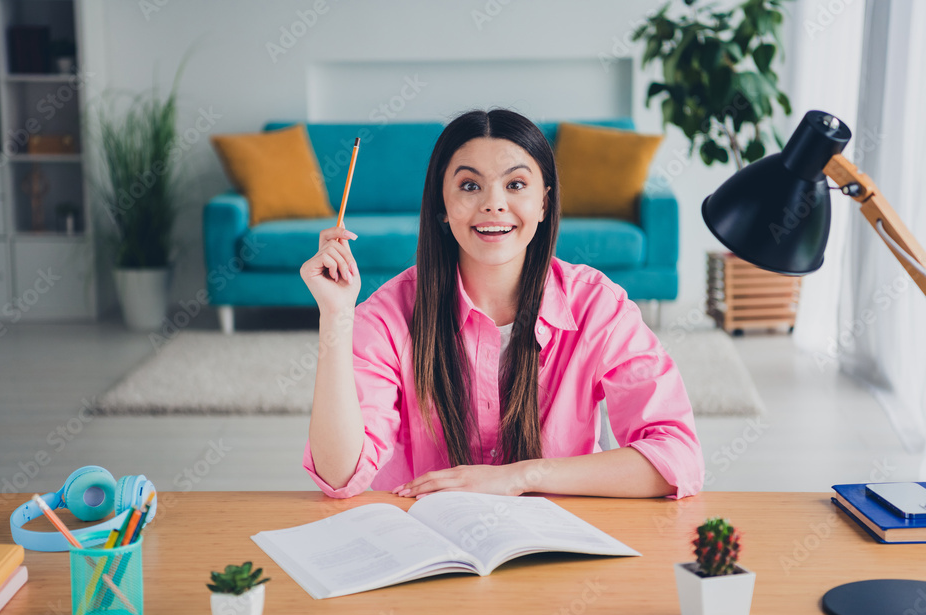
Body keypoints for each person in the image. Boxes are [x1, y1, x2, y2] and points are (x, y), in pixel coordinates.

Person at [299, 108, 703, 500]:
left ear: (544, 202)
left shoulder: (597, 305)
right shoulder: (389, 316)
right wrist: (335, 315)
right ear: (441, 204)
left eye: (515, 185)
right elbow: (339, 476)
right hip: (427, 545)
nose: (493, 204)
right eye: (470, 186)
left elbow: (678, 458)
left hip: (559, 546)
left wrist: (520, 477)